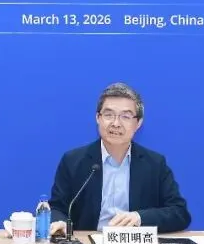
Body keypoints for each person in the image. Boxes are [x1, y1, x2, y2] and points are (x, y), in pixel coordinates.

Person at [48, 82, 191, 235]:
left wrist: (140, 218)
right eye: (109, 115)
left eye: (125, 116)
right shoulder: (73, 161)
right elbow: (57, 208)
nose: (116, 123)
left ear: (138, 123)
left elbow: (180, 213)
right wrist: (60, 222)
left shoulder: (155, 164)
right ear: (98, 118)